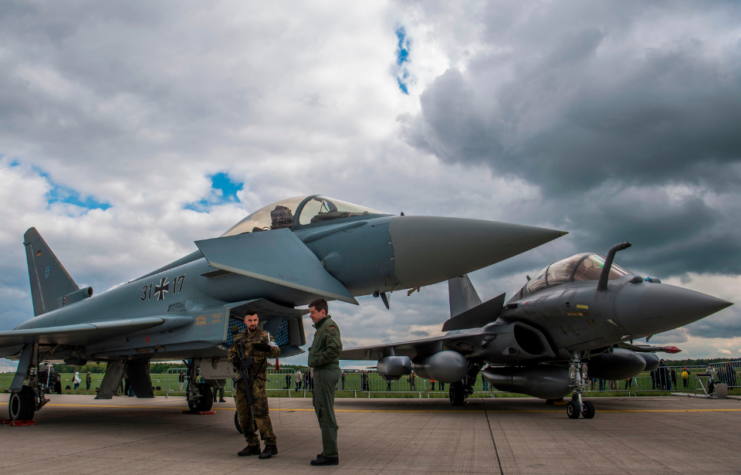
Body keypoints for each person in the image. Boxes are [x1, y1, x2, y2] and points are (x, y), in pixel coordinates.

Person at [228, 309, 281, 459]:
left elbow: (277, 351)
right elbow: (230, 353)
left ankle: (270, 445)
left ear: (258, 320)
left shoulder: (265, 336)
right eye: (250, 320)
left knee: (260, 412)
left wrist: (268, 348)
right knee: (243, 414)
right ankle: (252, 444)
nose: (253, 323)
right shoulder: (239, 338)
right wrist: (235, 360)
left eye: (255, 320)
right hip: (242, 380)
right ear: (245, 321)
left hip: (257, 380)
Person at [307, 298, 342, 466]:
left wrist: (318, 359)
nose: (310, 316)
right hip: (322, 372)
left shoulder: (329, 327)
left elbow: (335, 348)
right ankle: (328, 450)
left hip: (326, 372)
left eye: (312, 312)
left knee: (325, 411)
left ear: (322, 312)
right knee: (321, 409)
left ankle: (330, 454)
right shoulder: (321, 328)